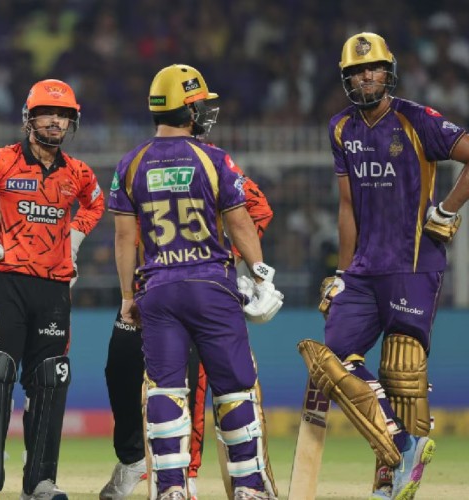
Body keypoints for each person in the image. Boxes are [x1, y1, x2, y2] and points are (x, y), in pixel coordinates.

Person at [299, 32, 469, 500]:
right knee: (331, 360)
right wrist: (341, 273)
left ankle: (389, 479)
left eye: (373, 68)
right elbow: (347, 207)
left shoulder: (417, 119)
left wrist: (447, 210)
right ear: (346, 79)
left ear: (388, 72)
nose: (366, 77)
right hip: (362, 271)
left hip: (413, 264)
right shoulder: (340, 128)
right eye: (356, 71)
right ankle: (402, 446)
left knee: (402, 371)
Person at [110, 64, 284, 500]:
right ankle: (248, 487)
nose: (206, 111)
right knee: (234, 389)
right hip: (211, 286)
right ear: (187, 108)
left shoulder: (130, 163)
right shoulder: (214, 158)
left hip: (158, 290)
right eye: (201, 103)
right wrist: (260, 275)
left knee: (165, 391)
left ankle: (171, 488)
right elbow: (240, 222)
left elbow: (125, 238)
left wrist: (128, 296)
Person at [0, 78, 105, 500]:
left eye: (63, 115)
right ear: (29, 118)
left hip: (54, 288)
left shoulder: (78, 172)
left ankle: (40, 481)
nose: (56, 121)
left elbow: (96, 203)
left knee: (51, 378)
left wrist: (73, 243)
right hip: (7, 281)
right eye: (48, 113)